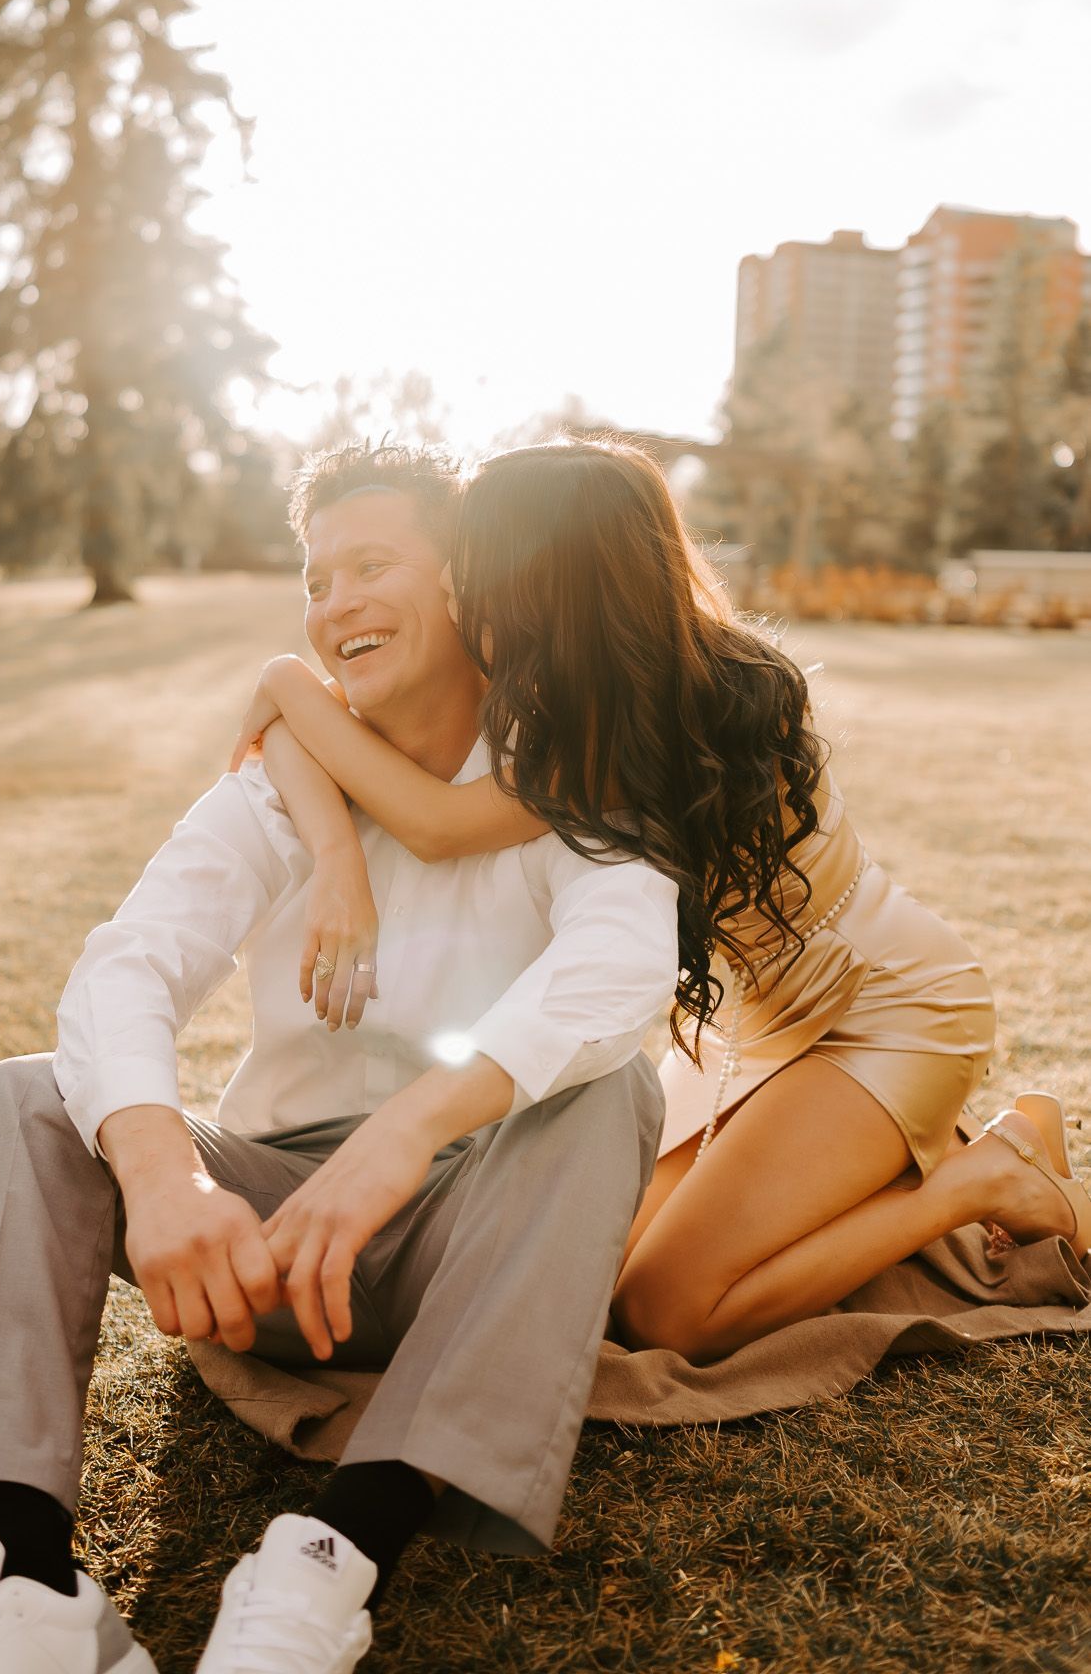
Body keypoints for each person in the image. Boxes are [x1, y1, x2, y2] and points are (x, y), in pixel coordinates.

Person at [0, 442, 677, 1674]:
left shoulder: (563, 776)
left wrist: (406, 1132)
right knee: (29, 1093)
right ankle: (19, 1568)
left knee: (604, 1084)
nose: (336, 601)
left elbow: (621, 967)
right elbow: (126, 964)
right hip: (267, 1239)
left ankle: (330, 1554)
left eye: (371, 563)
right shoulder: (274, 789)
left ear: (466, 583)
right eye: (315, 579)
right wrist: (164, 1174)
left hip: (469, 1234)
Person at [236, 436, 1091, 1369]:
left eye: (470, 577)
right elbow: (331, 747)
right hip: (750, 1035)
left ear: (547, 582)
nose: (452, 599)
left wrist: (282, 683)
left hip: (885, 1014)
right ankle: (899, 1157)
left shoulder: (676, 715)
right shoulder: (555, 698)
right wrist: (327, 829)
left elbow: (433, 823)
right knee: (591, 1276)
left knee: (668, 1314)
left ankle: (973, 1181)